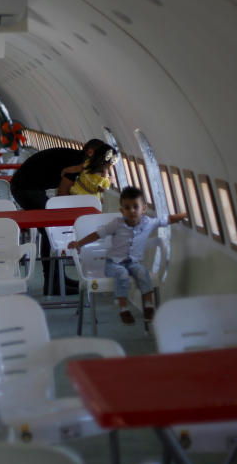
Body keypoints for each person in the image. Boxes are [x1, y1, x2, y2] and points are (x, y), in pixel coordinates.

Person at [68, 186, 188, 324]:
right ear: (122, 211)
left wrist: (185, 215)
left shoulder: (148, 222)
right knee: (122, 275)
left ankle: (148, 306)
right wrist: (79, 243)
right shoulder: (116, 224)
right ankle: (123, 308)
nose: (131, 210)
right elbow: (96, 235)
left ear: (143, 208)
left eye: (135, 206)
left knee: (143, 273)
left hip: (133, 264)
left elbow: (167, 219)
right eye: (127, 207)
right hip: (114, 263)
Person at [10, 138, 104, 294]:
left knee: (48, 232)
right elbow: (62, 194)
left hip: (29, 186)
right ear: (90, 153)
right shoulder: (77, 163)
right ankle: (52, 284)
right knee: (49, 233)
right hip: (25, 188)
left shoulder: (77, 160)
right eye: (100, 159)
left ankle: (59, 280)